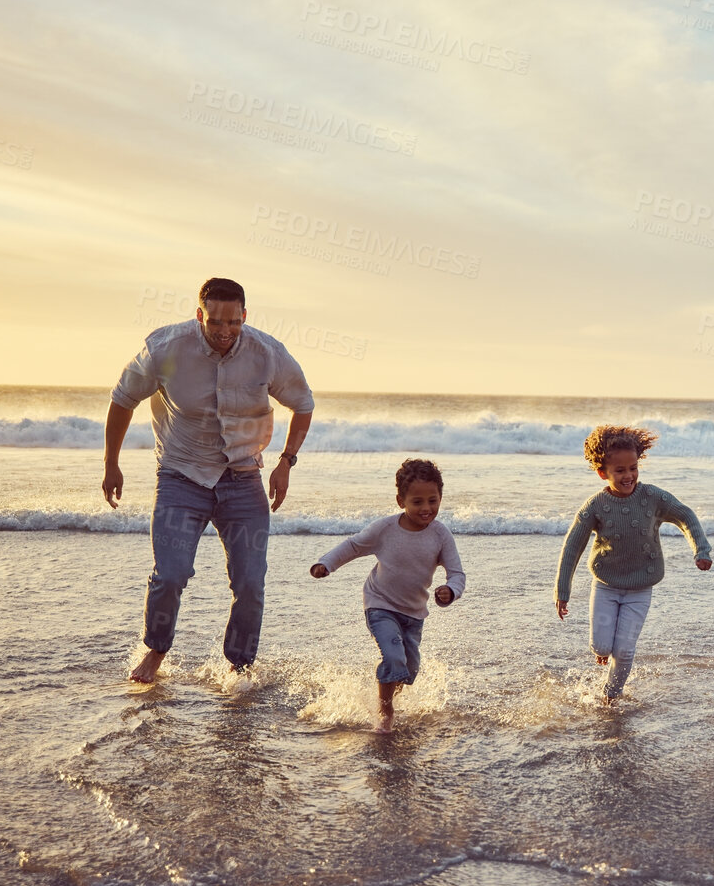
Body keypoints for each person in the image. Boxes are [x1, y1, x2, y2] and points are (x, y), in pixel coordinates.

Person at [104, 277, 314, 682]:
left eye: (233, 322)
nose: (224, 331)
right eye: (214, 321)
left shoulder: (267, 355)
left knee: (250, 582)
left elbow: (303, 404)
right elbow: (122, 399)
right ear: (199, 314)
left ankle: (238, 667)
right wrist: (112, 463)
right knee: (171, 575)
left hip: (243, 477)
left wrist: (287, 461)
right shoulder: (166, 350)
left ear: (244, 317)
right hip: (182, 476)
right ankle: (155, 652)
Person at [555, 426, 712, 701]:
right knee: (603, 646)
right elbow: (572, 547)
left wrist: (701, 549)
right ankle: (603, 653)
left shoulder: (652, 497)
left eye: (633, 468)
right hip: (605, 587)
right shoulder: (596, 505)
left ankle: (609, 697)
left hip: (640, 589)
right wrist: (562, 591)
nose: (628, 476)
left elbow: (685, 515)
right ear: (603, 472)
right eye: (620, 471)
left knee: (625, 650)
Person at [311, 459, 465, 734]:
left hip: (414, 613)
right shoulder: (385, 529)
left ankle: (384, 689)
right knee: (394, 658)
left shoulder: (441, 535)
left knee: (408, 671)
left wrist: (449, 591)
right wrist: (327, 563)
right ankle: (385, 711)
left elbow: (457, 574)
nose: (426, 508)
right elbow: (354, 546)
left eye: (433, 500)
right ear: (400, 500)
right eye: (417, 502)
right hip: (380, 604)